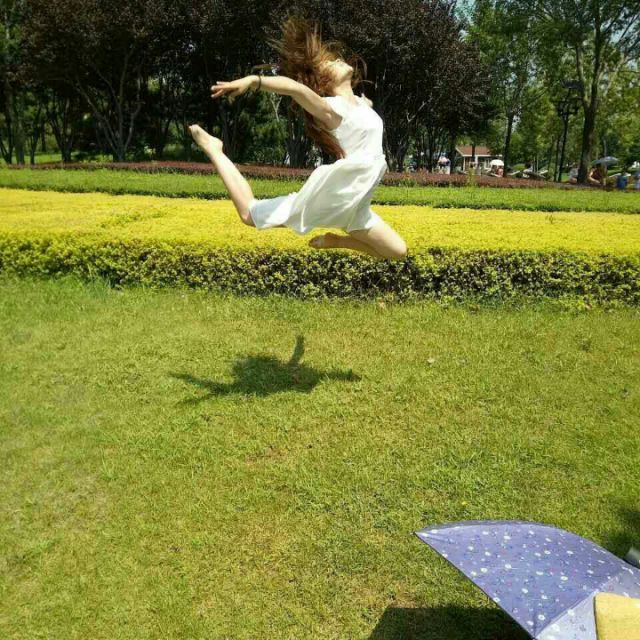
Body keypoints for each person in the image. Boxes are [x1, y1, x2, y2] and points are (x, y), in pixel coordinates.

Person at [187, 16, 407, 260]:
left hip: (357, 204)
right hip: (336, 197)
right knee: (249, 214)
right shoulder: (331, 109)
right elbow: (295, 88)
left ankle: (337, 240)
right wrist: (253, 81)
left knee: (398, 252)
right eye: (330, 63)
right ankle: (214, 149)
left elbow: (364, 116)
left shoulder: (360, 104)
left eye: (335, 58)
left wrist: (366, 103)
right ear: (324, 80)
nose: (337, 60)